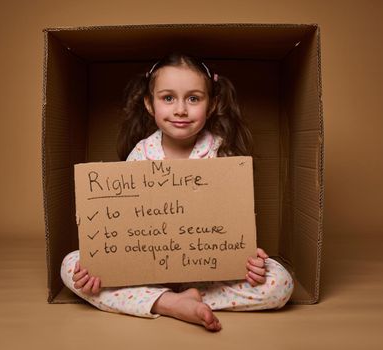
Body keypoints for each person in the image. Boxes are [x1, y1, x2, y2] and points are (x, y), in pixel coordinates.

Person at [61, 53, 294, 332]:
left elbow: (234, 225)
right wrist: (98, 264)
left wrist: (248, 257)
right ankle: (170, 303)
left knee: (280, 282)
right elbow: (122, 226)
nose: (181, 109)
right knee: (72, 266)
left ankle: (174, 300)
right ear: (150, 104)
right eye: (168, 98)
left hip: (206, 273)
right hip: (143, 272)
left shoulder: (223, 154)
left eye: (193, 98)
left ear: (212, 105)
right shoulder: (141, 154)